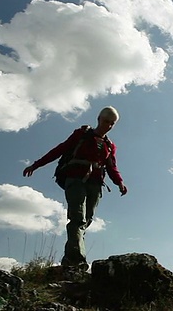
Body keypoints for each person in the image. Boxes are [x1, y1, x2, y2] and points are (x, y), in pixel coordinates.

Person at [23, 106, 128, 269]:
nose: (108, 125)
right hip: (75, 179)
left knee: (87, 219)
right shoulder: (82, 134)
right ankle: (76, 259)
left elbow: (112, 166)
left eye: (112, 124)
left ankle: (71, 256)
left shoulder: (109, 145)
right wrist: (36, 165)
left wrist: (120, 183)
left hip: (96, 183)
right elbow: (60, 150)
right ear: (98, 119)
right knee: (78, 217)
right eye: (106, 121)